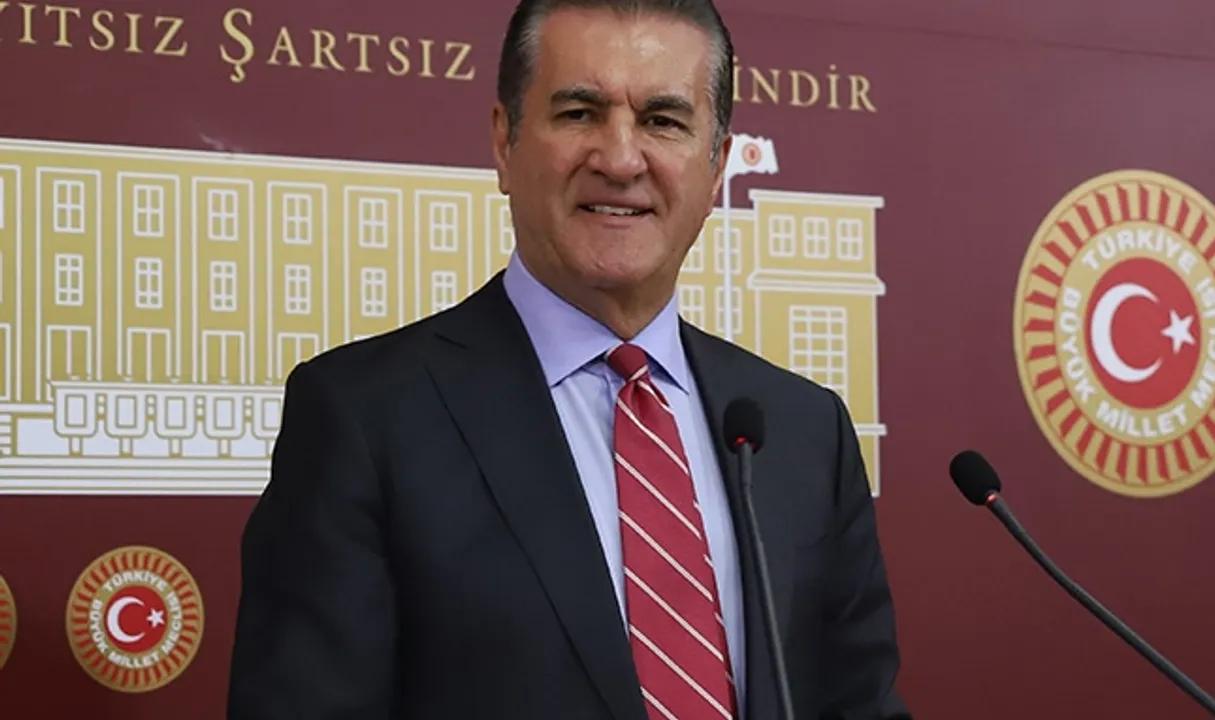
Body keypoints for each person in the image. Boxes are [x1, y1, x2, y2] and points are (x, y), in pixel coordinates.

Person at [226, 0, 911, 717]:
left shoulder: (803, 429)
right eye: (580, 113)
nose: (620, 159)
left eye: (663, 121)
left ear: (716, 167)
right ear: (504, 142)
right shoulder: (365, 417)